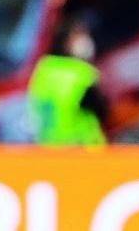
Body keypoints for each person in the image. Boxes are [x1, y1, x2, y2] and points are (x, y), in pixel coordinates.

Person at [27, 16, 108, 146]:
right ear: (66, 41)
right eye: (79, 36)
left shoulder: (44, 67)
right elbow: (100, 109)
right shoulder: (82, 73)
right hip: (80, 145)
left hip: (47, 145)